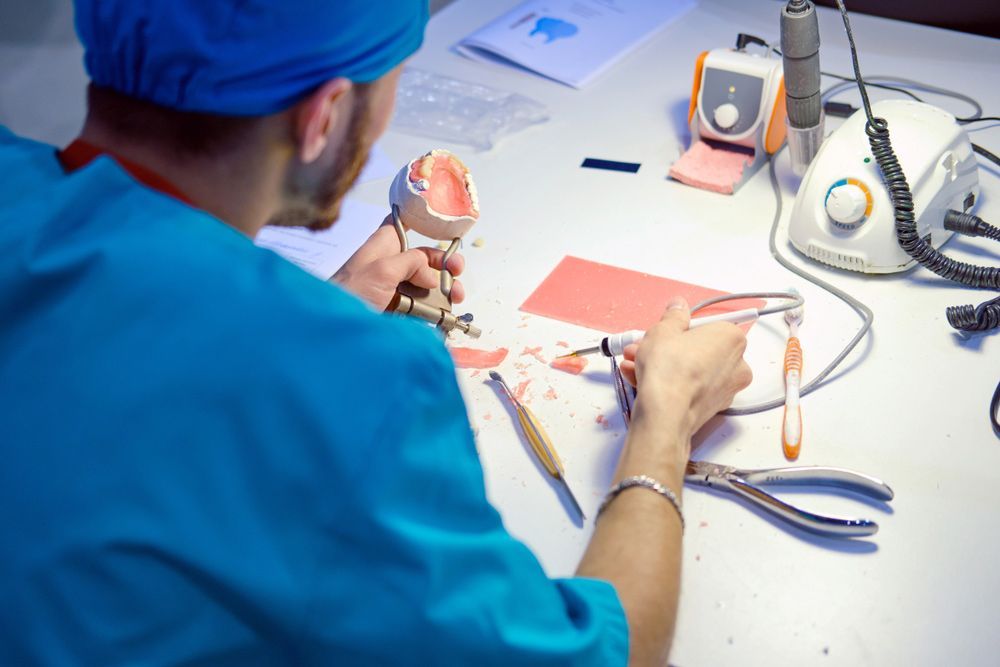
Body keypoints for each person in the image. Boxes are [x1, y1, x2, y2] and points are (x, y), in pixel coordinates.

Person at [0, 1, 751, 664]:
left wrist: (319, 314)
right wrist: (666, 420)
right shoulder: (356, 387)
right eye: (393, 77)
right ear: (323, 116)